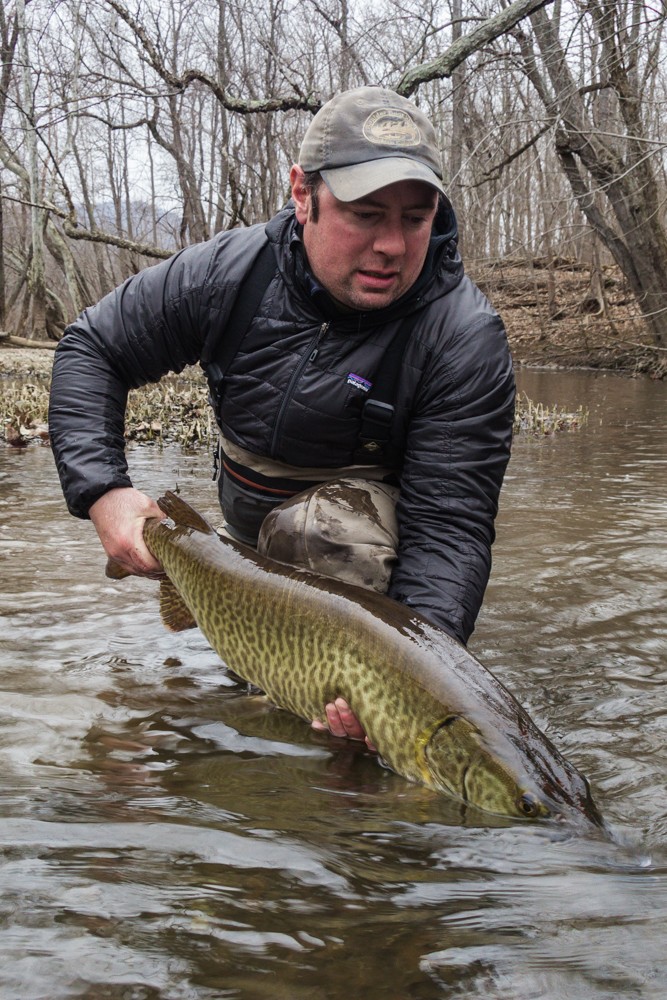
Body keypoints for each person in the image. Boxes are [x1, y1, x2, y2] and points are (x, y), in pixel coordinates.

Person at [49, 86, 515, 745]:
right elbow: (92, 347)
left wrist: (409, 685)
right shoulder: (228, 274)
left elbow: (449, 529)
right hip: (242, 540)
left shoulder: (462, 338)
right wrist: (103, 491)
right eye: (364, 213)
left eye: (415, 218)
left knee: (323, 540)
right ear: (303, 195)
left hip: (359, 550)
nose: (390, 243)